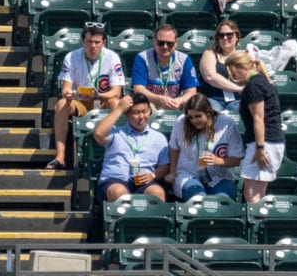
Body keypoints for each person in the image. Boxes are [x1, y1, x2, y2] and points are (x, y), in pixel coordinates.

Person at [47, 22, 124, 170]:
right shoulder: (71, 57)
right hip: (80, 102)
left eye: (97, 42)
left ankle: (118, 154)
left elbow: (116, 92)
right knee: (62, 103)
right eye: (89, 42)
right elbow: (65, 89)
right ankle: (60, 157)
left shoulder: (112, 57)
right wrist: (70, 95)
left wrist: (98, 95)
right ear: (83, 41)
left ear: (104, 43)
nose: (93, 46)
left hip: (102, 100)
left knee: (116, 103)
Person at [224, 51, 285, 204]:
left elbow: (259, 119)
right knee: (258, 194)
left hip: (264, 143)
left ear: (243, 67)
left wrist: (259, 149)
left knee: (251, 194)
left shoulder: (253, 86)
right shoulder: (263, 82)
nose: (232, 75)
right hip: (272, 142)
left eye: (233, 71)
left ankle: (257, 226)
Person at [165, 93, 244, 201]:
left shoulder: (227, 124)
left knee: (220, 203)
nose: (194, 120)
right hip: (188, 173)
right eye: (190, 117)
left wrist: (218, 161)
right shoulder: (182, 121)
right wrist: (172, 172)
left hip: (220, 176)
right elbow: (174, 148)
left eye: (198, 116)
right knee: (197, 198)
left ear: (208, 112)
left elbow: (237, 159)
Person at [93, 93, 170, 203]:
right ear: (126, 114)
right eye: (136, 113)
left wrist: (153, 175)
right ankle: (121, 220)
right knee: (118, 192)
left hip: (143, 182)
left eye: (145, 111)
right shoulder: (116, 132)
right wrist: (119, 109)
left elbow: (165, 165)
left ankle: (155, 220)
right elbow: (98, 134)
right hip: (115, 180)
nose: (142, 117)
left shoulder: (158, 138)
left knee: (157, 192)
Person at [130, 24, 199, 111]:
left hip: (175, 104)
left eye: (170, 43)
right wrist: (159, 99)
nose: (165, 47)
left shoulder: (184, 59)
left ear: (176, 43)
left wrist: (178, 101)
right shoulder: (143, 58)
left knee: (191, 104)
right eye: (161, 43)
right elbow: (139, 90)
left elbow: (191, 92)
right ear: (154, 42)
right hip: (150, 104)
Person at [197, 20, 244, 112]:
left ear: (237, 36)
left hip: (237, 100)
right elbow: (210, 77)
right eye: (221, 35)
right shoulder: (210, 54)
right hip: (214, 98)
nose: (225, 38)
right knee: (214, 113)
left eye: (229, 35)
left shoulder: (243, 56)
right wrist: (238, 89)